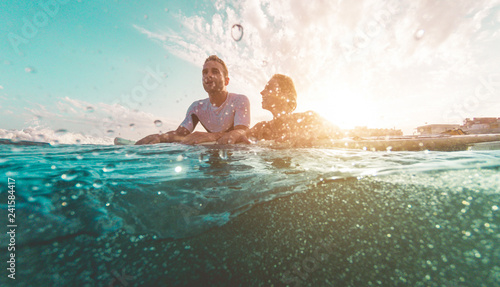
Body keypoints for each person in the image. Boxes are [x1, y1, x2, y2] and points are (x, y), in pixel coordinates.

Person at [135, 55, 250, 145]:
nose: (208, 75)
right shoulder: (197, 107)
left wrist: (213, 136)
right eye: (205, 72)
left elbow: (241, 132)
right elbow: (179, 134)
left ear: (226, 81)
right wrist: (159, 137)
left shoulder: (239, 100)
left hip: (237, 157)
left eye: (215, 71)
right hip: (212, 154)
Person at [246, 74, 340, 145]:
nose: (262, 92)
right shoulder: (262, 128)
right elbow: (241, 136)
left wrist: (307, 134)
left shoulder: (307, 119)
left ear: (285, 95)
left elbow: (338, 132)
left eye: (268, 88)